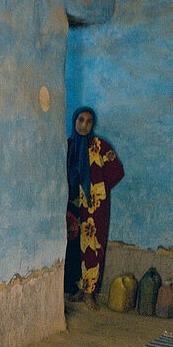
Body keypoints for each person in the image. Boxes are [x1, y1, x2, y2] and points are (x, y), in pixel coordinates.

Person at [65, 106, 124, 310]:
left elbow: (117, 172)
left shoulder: (100, 146)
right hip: (72, 207)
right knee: (74, 249)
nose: (84, 125)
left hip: (94, 208)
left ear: (93, 124)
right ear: (75, 121)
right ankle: (79, 288)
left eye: (89, 121)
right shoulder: (69, 145)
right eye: (80, 120)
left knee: (92, 248)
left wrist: (98, 189)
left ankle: (90, 293)